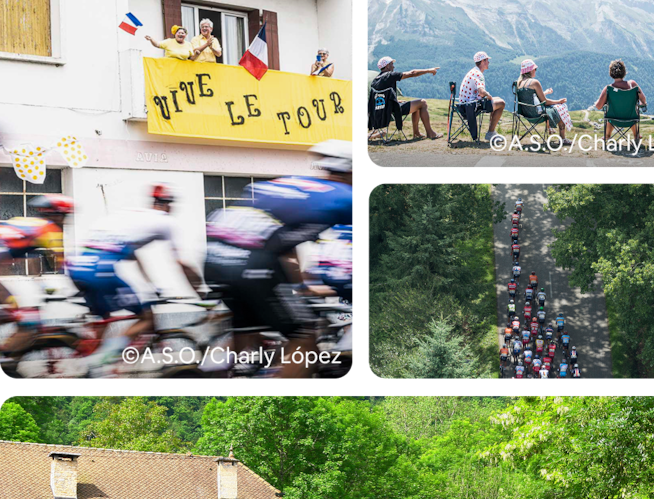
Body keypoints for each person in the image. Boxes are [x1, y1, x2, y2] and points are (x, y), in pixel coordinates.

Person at [204, 138, 353, 381]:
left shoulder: (291, 183)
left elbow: (282, 245)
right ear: (351, 171)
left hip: (214, 258)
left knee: (247, 332)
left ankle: (205, 374)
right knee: (304, 337)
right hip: (251, 263)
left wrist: (298, 286)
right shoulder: (347, 196)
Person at [66, 184, 203, 376]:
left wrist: (149, 285)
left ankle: (83, 366)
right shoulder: (166, 222)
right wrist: (200, 290)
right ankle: (102, 362)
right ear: (169, 205)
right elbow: (181, 262)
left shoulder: (130, 216)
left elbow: (135, 257)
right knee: (147, 318)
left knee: (103, 318)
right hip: (100, 270)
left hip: (77, 267)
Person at [0, 194, 73, 355]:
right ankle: (5, 358)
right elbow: (62, 263)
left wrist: (41, 285)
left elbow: (31, 261)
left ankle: (6, 357)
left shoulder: (26, 223)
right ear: (57, 215)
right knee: (26, 319)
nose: (65, 221)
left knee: (17, 311)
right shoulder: (50, 230)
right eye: (65, 216)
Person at [371, 57, 440, 140]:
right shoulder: (390, 75)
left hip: (382, 111)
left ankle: (417, 133)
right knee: (422, 103)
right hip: (393, 110)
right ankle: (430, 133)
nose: (393, 67)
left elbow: (382, 96)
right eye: (392, 64)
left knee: (417, 105)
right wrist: (429, 70)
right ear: (387, 66)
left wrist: (395, 100)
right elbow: (412, 73)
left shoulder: (375, 80)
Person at [517, 59, 571, 145]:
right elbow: (545, 102)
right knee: (561, 107)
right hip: (537, 114)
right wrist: (559, 101)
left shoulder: (519, 83)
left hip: (526, 113)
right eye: (535, 69)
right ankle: (562, 138)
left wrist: (545, 92)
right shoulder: (534, 82)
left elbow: (533, 98)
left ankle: (551, 129)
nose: (535, 71)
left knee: (555, 107)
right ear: (530, 70)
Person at [457, 52, 506, 145]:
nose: (489, 62)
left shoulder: (473, 71)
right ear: (483, 61)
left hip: (464, 105)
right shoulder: (478, 74)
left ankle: (492, 131)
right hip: (471, 105)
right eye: (487, 60)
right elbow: (481, 91)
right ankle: (491, 132)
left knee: (497, 99)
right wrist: (488, 95)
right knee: (501, 103)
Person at [594, 60, 647, 143]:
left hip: (614, 120)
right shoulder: (632, 85)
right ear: (624, 72)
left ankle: (607, 136)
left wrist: (600, 101)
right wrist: (641, 104)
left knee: (610, 114)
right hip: (631, 119)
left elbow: (598, 106)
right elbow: (643, 100)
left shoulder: (608, 89)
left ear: (611, 73)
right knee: (631, 111)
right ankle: (636, 135)